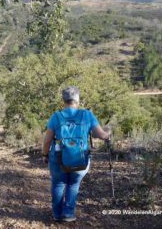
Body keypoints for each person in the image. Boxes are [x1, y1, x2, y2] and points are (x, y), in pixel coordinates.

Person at [42, 86, 111, 222]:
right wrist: (108, 131)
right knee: (74, 184)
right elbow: (101, 135)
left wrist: (44, 155)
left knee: (58, 184)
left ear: (63, 100)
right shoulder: (87, 115)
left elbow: (47, 141)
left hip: (58, 159)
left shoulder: (56, 117)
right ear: (77, 99)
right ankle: (68, 214)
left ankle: (57, 215)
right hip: (80, 159)